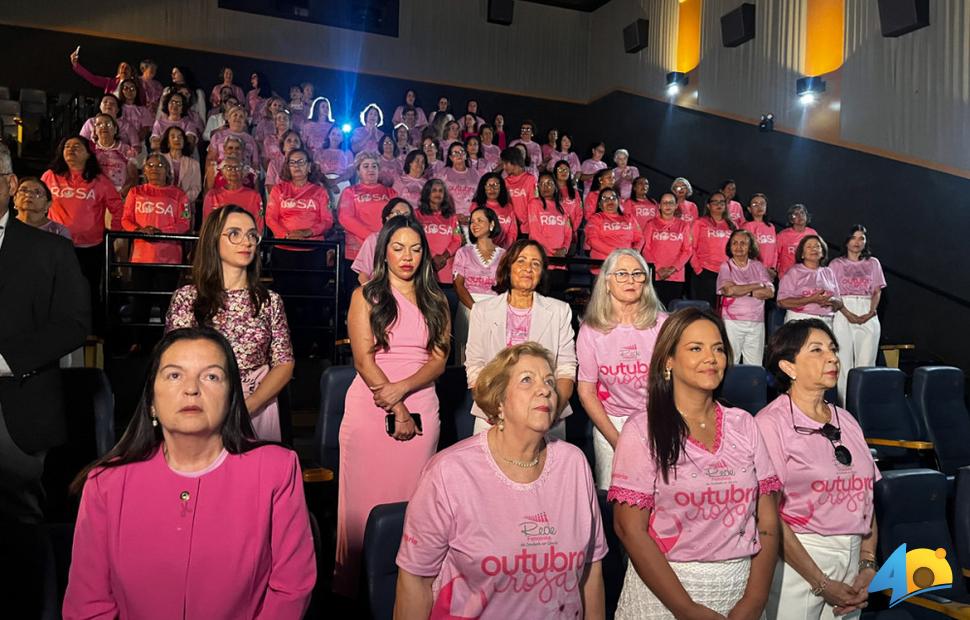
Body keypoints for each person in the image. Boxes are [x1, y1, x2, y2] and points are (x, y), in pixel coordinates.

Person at [62, 327, 315, 618]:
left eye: (211, 376)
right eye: (174, 375)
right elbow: (88, 603)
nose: (191, 388)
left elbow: (290, 589)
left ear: (231, 396)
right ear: (151, 402)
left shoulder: (276, 470)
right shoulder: (105, 483)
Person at [395, 342, 608, 618]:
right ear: (499, 402)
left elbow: (591, 571)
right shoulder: (449, 472)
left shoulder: (574, 464)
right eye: (527, 380)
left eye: (550, 381)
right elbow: (415, 580)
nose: (545, 390)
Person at [609, 308, 781, 619]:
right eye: (695, 348)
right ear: (668, 360)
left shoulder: (744, 424)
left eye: (718, 349)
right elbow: (629, 529)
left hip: (740, 590)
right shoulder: (641, 430)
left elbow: (767, 523)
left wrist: (755, 600)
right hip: (663, 593)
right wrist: (686, 609)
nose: (711, 358)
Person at [337, 217, 450, 596]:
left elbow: (438, 361)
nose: (408, 256)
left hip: (420, 401)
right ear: (384, 250)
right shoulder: (366, 295)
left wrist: (402, 391)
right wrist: (396, 406)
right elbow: (363, 360)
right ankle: (357, 588)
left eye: (416, 249)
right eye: (398, 247)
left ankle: (407, 587)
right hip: (372, 404)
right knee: (363, 502)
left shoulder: (436, 298)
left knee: (414, 499)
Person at [0, 147, 90, 615]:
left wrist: (5, 360)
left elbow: (75, 322)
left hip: (14, 410)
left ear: (10, 185)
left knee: (19, 538)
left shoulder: (50, 249)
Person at [756, 319, 880, 619]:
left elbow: (867, 498)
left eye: (833, 349)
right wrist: (820, 582)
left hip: (853, 558)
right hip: (798, 562)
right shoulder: (769, 424)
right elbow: (767, 515)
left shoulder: (847, 420)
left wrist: (867, 563)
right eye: (817, 350)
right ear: (789, 367)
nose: (833, 357)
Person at [166, 206, 293, 441]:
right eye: (234, 233)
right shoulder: (188, 298)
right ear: (214, 239)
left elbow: (284, 364)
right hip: (200, 404)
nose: (246, 242)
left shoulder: (269, 301)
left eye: (252, 235)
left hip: (257, 408)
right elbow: (174, 362)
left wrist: (247, 407)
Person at [465, 240, 576, 437]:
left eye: (535, 263)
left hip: (546, 414)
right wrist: (493, 409)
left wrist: (552, 409)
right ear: (508, 267)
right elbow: (475, 366)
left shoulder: (560, 311)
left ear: (542, 272)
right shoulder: (482, 311)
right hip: (493, 415)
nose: (528, 269)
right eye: (521, 261)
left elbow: (566, 368)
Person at [578, 249, 666, 489]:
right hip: (611, 424)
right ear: (607, 282)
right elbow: (586, 392)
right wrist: (618, 442)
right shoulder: (591, 330)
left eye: (637, 274)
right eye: (622, 274)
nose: (630, 280)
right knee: (613, 498)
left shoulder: (663, 324)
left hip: (656, 420)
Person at [42, 136, 124, 327]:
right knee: (54, 289)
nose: (70, 149)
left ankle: (90, 332)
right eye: (67, 146)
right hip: (55, 245)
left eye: (77, 147)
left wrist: (114, 234)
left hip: (90, 247)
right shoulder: (49, 176)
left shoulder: (100, 181)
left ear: (89, 154)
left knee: (88, 291)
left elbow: (117, 207)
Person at [830, 226, 886, 402]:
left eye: (861, 238)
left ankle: (865, 406)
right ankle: (845, 408)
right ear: (846, 241)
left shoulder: (873, 262)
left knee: (867, 362)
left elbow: (877, 290)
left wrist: (871, 311)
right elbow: (833, 294)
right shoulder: (836, 264)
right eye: (853, 238)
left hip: (867, 310)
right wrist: (847, 313)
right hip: (843, 310)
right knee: (843, 362)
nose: (857, 242)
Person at [453, 206, 505, 363]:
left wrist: (492, 311)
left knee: (493, 360)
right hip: (469, 309)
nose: (474, 225)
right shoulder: (463, 252)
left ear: (492, 224)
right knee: (466, 360)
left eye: (479, 220)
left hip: (495, 310)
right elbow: (458, 285)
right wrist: (476, 309)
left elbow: (506, 286)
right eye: (471, 222)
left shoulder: (504, 255)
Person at [717, 229, 774, 365]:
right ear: (730, 247)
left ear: (750, 247)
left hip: (756, 322)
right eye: (734, 243)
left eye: (743, 243)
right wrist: (755, 287)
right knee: (731, 363)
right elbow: (729, 290)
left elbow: (770, 292)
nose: (739, 247)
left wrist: (740, 290)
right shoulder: (726, 266)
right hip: (731, 322)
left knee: (754, 366)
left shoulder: (758, 266)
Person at [338, 151, 398, 263]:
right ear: (358, 171)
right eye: (366, 166)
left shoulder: (390, 192)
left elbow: (397, 218)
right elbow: (345, 218)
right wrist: (372, 238)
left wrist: (383, 239)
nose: (371, 169)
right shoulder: (350, 192)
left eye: (374, 166)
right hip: (357, 250)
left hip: (384, 248)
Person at [777, 236, 842, 326]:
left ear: (822, 253)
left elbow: (839, 302)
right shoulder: (794, 272)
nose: (814, 249)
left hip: (826, 321)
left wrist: (831, 301)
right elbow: (782, 302)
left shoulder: (828, 272)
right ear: (802, 254)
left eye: (817, 246)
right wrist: (811, 299)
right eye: (809, 247)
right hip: (800, 320)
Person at [642, 192, 692, 306]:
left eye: (671, 202)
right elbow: (646, 249)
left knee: (671, 311)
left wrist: (672, 269)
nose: (668, 205)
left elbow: (688, 250)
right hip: (655, 274)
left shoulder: (684, 225)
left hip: (676, 275)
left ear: (675, 206)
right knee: (654, 309)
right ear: (659, 206)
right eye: (664, 202)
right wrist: (658, 269)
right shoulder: (651, 224)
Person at [351, 198, 415, 284]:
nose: (401, 218)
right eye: (397, 213)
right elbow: (363, 276)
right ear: (387, 217)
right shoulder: (374, 240)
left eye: (406, 215)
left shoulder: (414, 240)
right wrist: (372, 295)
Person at [526, 172, 572, 289]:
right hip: (542, 260)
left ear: (555, 186)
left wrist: (564, 249)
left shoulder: (563, 207)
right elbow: (535, 233)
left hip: (560, 262)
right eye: (541, 184)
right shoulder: (534, 204)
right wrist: (553, 253)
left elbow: (568, 232)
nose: (545, 187)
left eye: (549, 183)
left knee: (557, 297)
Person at [690, 192, 735, 308]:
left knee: (723, 310)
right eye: (715, 202)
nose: (719, 204)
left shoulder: (732, 225)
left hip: (726, 273)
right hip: (705, 272)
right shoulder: (700, 223)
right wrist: (698, 269)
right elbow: (690, 247)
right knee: (705, 310)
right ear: (709, 206)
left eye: (722, 202)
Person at [415, 178, 462, 285]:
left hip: (446, 269)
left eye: (441, 191)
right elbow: (415, 239)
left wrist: (443, 257)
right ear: (427, 193)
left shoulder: (452, 217)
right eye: (434, 190)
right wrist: (432, 256)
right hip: (425, 266)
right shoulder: (416, 215)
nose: (438, 194)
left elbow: (457, 240)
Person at [202, 156, 264, 232]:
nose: (233, 171)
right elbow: (207, 224)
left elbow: (259, 225)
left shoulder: (254, 196)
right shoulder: (212, 195)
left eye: (237, 168)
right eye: (228, 168)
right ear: (222, 173)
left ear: (243, 172)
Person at [585, 188, 643, 268]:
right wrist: (617, 253)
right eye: (604, 198)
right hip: (604, 265)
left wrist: (635, 250)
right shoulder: (595, 218)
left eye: (613, 197)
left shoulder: (629, 218)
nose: (609, 200)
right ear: (599, 205)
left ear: (618, 201)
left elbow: (640, 238)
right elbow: (592, 240)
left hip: (625, 264)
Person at [88, 113, 138, 198]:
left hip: (119, 194)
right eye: (99, 124)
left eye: (108, 124)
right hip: (94, 194)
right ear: (95, 130)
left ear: (115, 129)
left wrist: (120, 195)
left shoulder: (126, 150)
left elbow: (133, 178)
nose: (103, 127)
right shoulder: (89, 150)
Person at [436, 141, 480, 226]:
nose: (458, 155)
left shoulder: (475, 173)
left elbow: (478, 196)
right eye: (455, 153)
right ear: (451, 157)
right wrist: (453, 215)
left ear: (466, 155)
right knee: (457, 238)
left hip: (471, 218)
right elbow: (438, 197)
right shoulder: (444, 173)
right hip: (451, 218)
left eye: (461, 152)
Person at [471, 172, 517, 249]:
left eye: (495, 185)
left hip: (504, 251)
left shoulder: (508, 207)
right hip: (481, 251)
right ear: (483, 188)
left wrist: (501, 250)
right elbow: (475, 231)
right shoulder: (476, 206)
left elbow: (512, 233)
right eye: (488, 185)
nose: (492, 189)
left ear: (501, 187)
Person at [160, 125, 202, 204]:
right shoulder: (160, 160)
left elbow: (196, 188)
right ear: (168, 142)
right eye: (173, 137)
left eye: (180, 137)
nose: (177, 139)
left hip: (185, 205)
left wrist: (182, 199)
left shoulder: (194, 164)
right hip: (163, 202)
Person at [776, 204, 818, 279]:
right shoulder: (782, 235)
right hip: (788, 275)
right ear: (791, 220)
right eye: (796, 214)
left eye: (802, 213)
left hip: (808, 275)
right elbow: (775, 255)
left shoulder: (812, 233)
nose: (800, 216)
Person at [500, 147, 536, 234]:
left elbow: (534, 204)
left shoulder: (530, 179)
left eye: (506, 163)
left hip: (528, 228)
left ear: (514, 161)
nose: (504, 167)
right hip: (511, 228)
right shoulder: (505, 182)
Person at [742, 193, 777, 278]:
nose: (759, 207)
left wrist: (773, 268)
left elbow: (775, 250)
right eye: (755, 204)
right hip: (753, 270)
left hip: (770, 272)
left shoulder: (771, 226)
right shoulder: (747, 226)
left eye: (762, 204)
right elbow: (748, 250)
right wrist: (763, 268)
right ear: (749, 209)